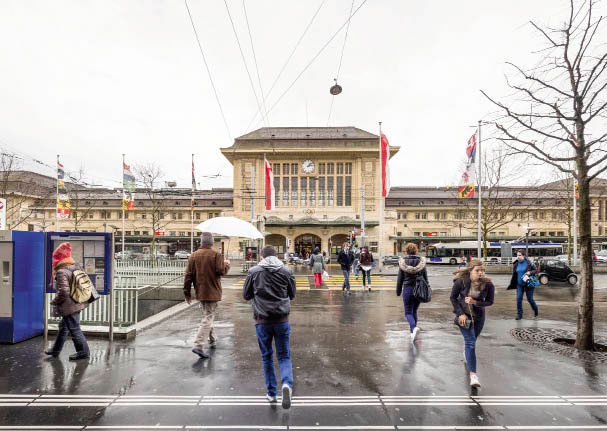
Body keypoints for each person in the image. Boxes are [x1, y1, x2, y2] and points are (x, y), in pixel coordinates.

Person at [243, 245, 296, 409]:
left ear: (262, 257)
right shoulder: (286, 271)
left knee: (267, 356)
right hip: (281, 320)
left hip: (262, 321)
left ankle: (272, 394)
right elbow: (292, 294)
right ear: (276, 256)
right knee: (284, 356)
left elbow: (246, 295)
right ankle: (286, 384)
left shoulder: (254, 272)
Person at [184, 232, 230, 359]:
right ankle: (198, 345)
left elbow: (188, 276)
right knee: (208, 317)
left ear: (201, 242)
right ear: (211, 242)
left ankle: (213, 340)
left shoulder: (193, 256)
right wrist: (227, 264)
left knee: (207, 315)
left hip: (200, 291)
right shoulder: (216, 255)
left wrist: (187, 293)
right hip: (213, 291)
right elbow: (221, 272)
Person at [450, 259, 495, 388]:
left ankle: (466, 353)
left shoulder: (488, 284)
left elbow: (490, 302)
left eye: (482, 271)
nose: (480, 273)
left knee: (472, 340)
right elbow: (453, 297)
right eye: (477, 271)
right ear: (471, 271)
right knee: (470, 342)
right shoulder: (461, 282)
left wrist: (476, 303)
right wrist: (460, 314)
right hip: (464, 316)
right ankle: (473, 376)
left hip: (479, 316)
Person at [45, 242, 90, 361]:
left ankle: (83, 352)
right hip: (78, 301)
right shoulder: (76, 266)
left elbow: (64, 292)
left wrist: (54, 301)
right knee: (64, 327)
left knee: (74, 328)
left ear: (58, 260)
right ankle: (56, 350)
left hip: (69, 305)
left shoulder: (61, 272)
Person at [396, 243, 428, 342]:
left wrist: (398, 291)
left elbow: (400, 279)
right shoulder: (421, 263)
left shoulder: (403, 263)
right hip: (419, 289)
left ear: (406, 251)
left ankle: (413, 328)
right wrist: (427, 289)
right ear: (416, 251)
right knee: (414, 311)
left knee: (408, 312)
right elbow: (425, 278)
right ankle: (412, 333)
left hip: (408, 289)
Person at [507, 250, 538, 320]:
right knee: (518, 299)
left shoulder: (529, 263)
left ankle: (535, 310)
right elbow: (515, 274)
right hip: (519, 285)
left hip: (528, 284)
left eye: (520, 255)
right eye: (517, 255)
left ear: (523, 256)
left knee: (530, 299)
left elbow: (536, 270)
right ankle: (519, 314)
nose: (518, 256)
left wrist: (530, 272)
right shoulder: (516, 264)